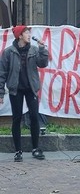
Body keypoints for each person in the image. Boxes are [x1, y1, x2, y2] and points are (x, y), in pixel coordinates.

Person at [0, 25, 49, 162]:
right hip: (16, 90)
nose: (29, 34)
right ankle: (18, 151)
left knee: (34, 117)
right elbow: (2, 73)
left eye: (29, 32)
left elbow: (43, 64)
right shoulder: (8, 52)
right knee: (16, 119)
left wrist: (42, 49)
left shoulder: (34, 49)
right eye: (26, 32)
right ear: (20, 36)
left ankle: (35, 148)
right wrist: (1, 93)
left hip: (31, 88)